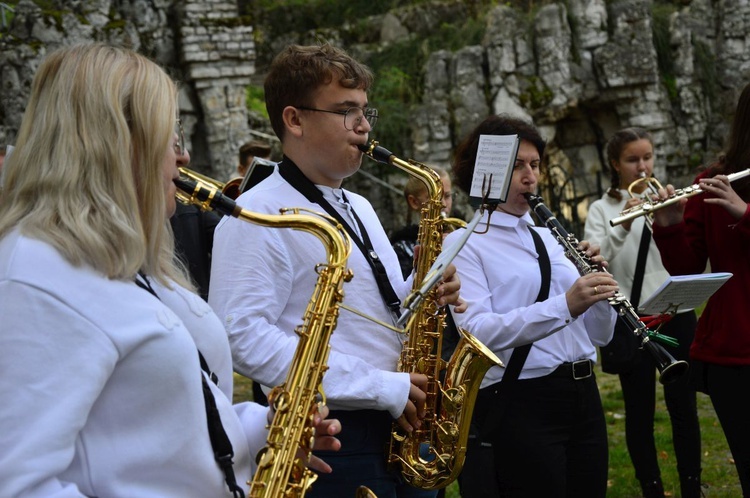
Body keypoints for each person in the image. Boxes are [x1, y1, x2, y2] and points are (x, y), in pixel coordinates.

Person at [0, 43, 340, 498]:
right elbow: (18, 484)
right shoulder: (34, 277)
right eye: (170, 136)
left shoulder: (121, 261)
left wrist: (267, 427)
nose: (182, 158)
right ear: (115, 143)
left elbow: (151, 429)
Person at [209, 43, 464, 498]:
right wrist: (379, 386)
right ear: (295, 119)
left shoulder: (358, 205)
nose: (364, 127)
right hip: (337, 438)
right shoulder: (257, 213)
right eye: (347, 112)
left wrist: (423, 288)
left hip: (403, 424)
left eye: (366, 111)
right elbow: (240, 334)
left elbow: (378, 307)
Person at [444, 114, 618, 498]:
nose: (530, 177)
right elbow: (478, 332)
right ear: (485, 172)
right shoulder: (464, 243)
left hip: (583, 394)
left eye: (535, 165)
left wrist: (599, 290)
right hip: (521, 400)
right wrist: (567, 304)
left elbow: (599, 335)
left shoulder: (551, 237)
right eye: (517, 166)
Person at [583, 127, 702, 497]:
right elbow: (596, 260)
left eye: (647, 157)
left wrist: (671, 217)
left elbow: (684, 254)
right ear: (615, 165)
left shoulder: (666, 197)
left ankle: (691, 485)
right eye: (633, 160)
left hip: (676, 311)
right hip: (634, 319)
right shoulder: (602, 210)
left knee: (684, 407)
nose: (643, 167)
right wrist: (628, 222)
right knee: (639, 413)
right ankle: (651, 487)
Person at [652, 83, 750, 496]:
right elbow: (688, 268)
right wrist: (671, 223)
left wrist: (744, 214)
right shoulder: (714, 180)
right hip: (734, 353)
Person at [390, 166, 454, 278]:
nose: (443, 204)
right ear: (414, 202)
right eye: (435, 198)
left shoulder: (458, 234)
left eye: (447, 196)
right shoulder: (401, 248)